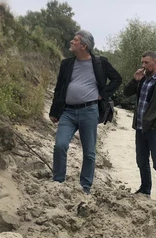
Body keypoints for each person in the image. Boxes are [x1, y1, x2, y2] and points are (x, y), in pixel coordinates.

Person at [49, 30, 122, 194]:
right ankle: (58, 180)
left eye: (75, 40)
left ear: (84, 46)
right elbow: (59, 87)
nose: (71, 42)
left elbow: (117, 79)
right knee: (60, 145)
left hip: (89, 111)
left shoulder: (100, 63)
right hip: (67, 112)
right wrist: (54, 111)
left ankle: (85, 186)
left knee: (89, 152)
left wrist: (102, 94)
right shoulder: (66, 63)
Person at [123, 51, 156, 207]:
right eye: (142, 62)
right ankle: (145, 189)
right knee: (141, 160)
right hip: (140, 128)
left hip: (154, 130)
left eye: (146, 62)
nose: (143, 66)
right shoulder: (142, 79)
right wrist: (135, 80)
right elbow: (126, 93)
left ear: (155, 62)